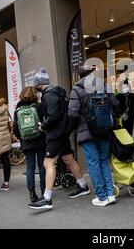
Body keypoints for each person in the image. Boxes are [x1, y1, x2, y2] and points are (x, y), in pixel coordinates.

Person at [29, 68, 89, 210]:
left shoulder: (48, 96)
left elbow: (53, 116)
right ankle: (83, 186)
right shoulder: (56, 93)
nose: (34, 86)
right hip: (63, 133)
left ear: (39, 84)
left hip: (55, 134)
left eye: (35, 83)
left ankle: (47, 199)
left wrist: (43, 126)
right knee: (68, 158)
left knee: (48, 163)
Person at [68, 66, 120, 207]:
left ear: (80, 75)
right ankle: (110, 194)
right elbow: (116, 104)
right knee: (104, 160)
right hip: (104, 128)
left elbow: (73, 113)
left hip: (87, 132)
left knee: (93, 163)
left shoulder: (77, 89)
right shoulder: (103, 85)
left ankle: (101, 197)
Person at [13, 87, 47, 203]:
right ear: (35, 95)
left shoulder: (17, 110)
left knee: (30, 167)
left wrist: (22, 139)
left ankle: (32, 194)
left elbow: (15, 129)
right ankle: (44, 192)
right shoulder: (39, 106)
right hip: (40, 139)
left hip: (26, 142)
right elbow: (45, 122)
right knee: (42, 165)